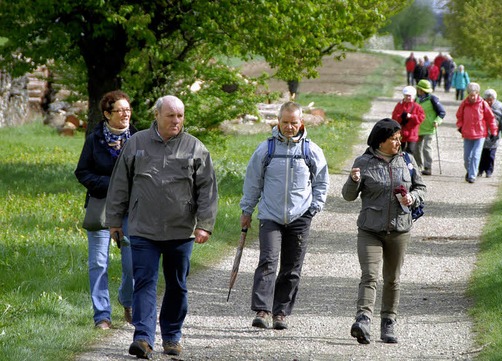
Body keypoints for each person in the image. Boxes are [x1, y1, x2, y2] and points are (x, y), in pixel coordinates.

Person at [106, 95, 218, 359]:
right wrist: (114, 221)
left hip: (181, 231)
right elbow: (120, 184)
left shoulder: (195, 148)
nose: (176, 121)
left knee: (177, 284)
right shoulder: (136, 144)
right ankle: (143, 338)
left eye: (180, 116)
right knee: (144, 282)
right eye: (171, 115)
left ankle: (171, 336)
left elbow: (207, 190)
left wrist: (205, 225)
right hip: (143, 229)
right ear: (156, 115)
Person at [240, 101, 329, 330]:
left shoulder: (311, 150)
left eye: (294, 123)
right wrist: (247, 210)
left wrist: (314, 208)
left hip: (300, 216)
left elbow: (321, 181)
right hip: (270, 215)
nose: (289, 127)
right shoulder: (266, 149)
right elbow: (253, 182)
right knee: (268, 260)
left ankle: (280, 312)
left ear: (302, 123)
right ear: (277, 121)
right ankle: (263, 310)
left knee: (292, 266)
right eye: (285, 122)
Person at [342, 118, 427, 345]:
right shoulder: (364, 162)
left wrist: (413, 197)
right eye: (394, 139)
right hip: (370, 229)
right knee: (369, 275)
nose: (399, 143)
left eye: (400, 139)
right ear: (381, 141)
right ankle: (363, 320)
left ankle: (388, 322)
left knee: (392, 279)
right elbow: (348, 196)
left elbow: (421, 188)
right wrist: (352, 180)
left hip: (400, 229)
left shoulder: (408, 161)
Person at [75, 90, 137, 330]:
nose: (125, 114)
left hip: (132, 209)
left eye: (128, 109)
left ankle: (128, 301)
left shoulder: (139, 139)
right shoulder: (94, 139)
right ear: (107, 114)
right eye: (120, 110)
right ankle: (102, 316)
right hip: (101, 206)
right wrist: (110, 185)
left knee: (132, 262)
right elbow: (82, 172)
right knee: (98, 263)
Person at [456, 83, 498, 183]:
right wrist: (460, 126)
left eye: (474, 95)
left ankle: (472, 176)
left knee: (475, 155)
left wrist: (494, 132)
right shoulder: (464, 104)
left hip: (480, 134)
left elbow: (490, 118)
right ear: (468, 94)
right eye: (470, 95)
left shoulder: (483, 104)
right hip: (467, 133)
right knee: (466, 158)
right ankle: (469, 170)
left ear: (478, 94)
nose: (472, 97)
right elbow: (459, 116)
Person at [415, 80, 446, 175]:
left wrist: (437, 121)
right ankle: (418, 166)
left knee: (426, 147)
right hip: (418, 127)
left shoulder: (433, 99)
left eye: (419, 89)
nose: (417, 90)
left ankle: (428, 167)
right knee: (416, 148)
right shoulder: (416, 99)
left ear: (422, 90)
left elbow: (442, 113)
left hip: (429, 128)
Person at [479, 89, 502, 177]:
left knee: (490, 154)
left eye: (491, 100)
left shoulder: (499, 108)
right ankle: (480, 170)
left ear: (494, 99)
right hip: (482, 133)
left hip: (494, 135)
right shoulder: (480, 106)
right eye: (487, 99)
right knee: (481, 153)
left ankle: (489, 171)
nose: (489, 102)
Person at [391, 86, 425, 155]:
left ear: (413, 96)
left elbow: (421, 118)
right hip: (401, 133)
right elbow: (394, 117)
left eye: (409, 96)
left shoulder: (417, 107)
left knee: (410, 151)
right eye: (406, 96)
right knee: (399, 151)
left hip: (412, 133)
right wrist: (401, 117)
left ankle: (408, 164)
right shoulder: (399, 105)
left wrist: (411, 116)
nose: (408, 97)